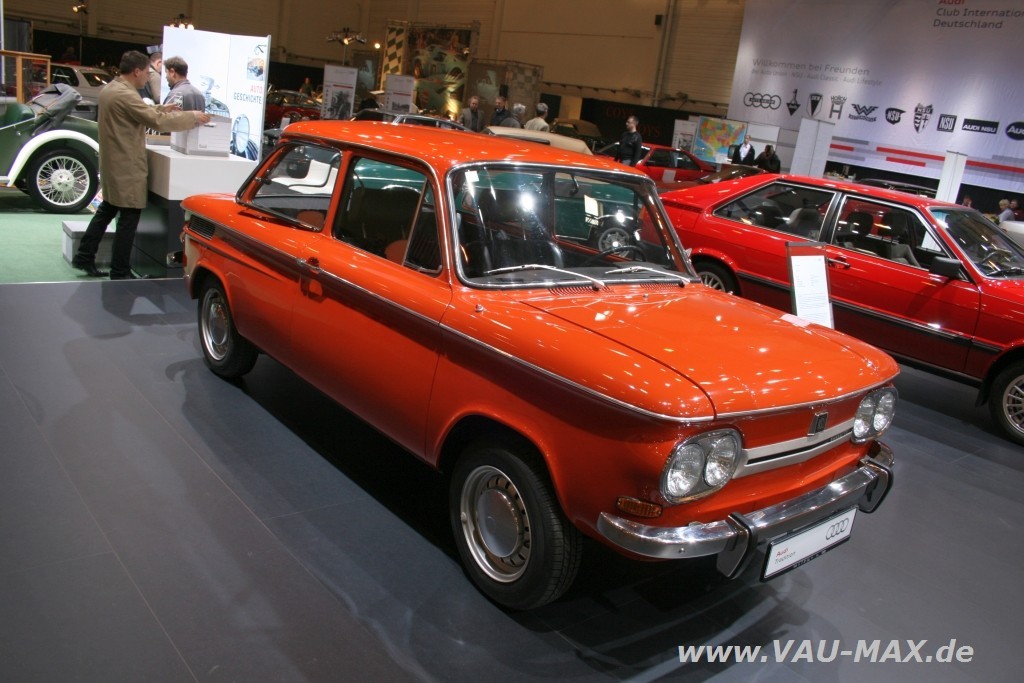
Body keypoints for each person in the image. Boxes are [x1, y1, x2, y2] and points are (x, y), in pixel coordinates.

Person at [71, 50, 211, 280]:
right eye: (147, 72)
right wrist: (192, 117)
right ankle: (120, 270)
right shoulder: (125, 94)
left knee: (107, 210)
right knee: (128, 218)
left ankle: (84, 256)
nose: (149, 77)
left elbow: (138, 113)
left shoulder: (112, 89)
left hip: (114, 162)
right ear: (136, 71)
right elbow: (155, 121)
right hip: (125, 165)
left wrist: (161, 108)